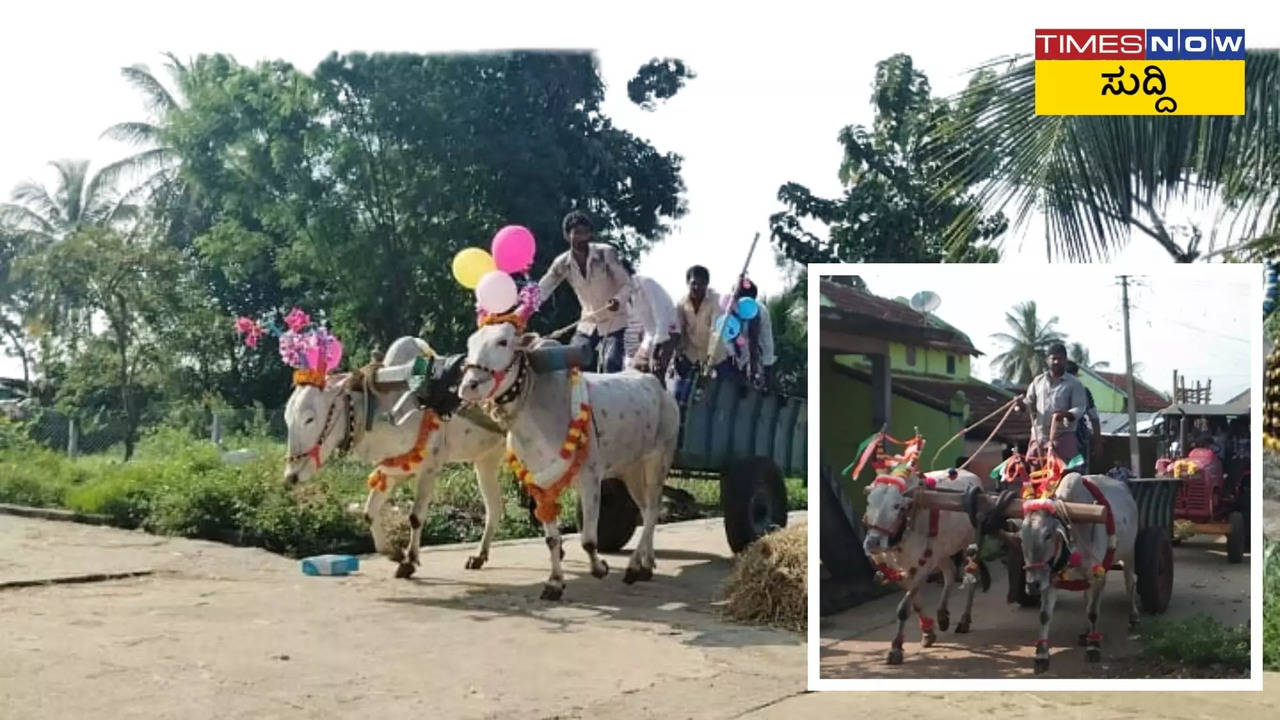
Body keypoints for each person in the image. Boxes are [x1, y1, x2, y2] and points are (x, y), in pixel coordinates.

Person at [538, 211, 633, 373]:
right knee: (573, 363)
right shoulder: (562, 263)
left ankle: (612, 398)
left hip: (614, 321)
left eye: (586, 232)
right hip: (588, 322)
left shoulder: (606, 253)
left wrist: (618, 300)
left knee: (610, 364)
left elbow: (627, 284)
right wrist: (522, 309)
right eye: (577, 233)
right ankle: (578, 398)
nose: (582, 238)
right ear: (568, 236)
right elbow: (543, 289)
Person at [1015, 343, 1089, 471]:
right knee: (1035, 475)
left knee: (1066, 476)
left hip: (1062, 437)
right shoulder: (1038, 381)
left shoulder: (1074, 384)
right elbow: (1029, 404)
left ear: (1065, 360)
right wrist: (1021, 405)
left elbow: (1079, 407)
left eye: (1060, 359)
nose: (1056, 362)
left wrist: (1065, 414)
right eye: (1053, 358)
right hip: (1039, 437)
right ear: (1047, 360)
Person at [674, 265, 727, 403]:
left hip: (716, 357)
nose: (697, 287)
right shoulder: (681, 304)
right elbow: (680, 330)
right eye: (694, 283)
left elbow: (717, 332)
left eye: (702, 284)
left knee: (717, 398)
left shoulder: (716, 301)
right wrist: (678, 353)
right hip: (691, 355)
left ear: (707, 284)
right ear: (688, 283)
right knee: (680, 395)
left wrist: (709, 365)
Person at [624, 268, 681, 384]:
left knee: (656, 372)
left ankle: (665, 401)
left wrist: (655, 354)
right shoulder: (622, 293)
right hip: (650, 334)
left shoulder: (646, 283)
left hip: (668, 331)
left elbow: (661, 318)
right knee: (635, 370)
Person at [726, 278, 776, 391]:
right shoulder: (725, 308)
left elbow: (766, 342)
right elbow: (723, 338)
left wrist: (767, 371)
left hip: (751, 355)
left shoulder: (761, 312)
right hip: (725, 355)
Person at [1064, 361, 1103, 472]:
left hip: (1078, 441)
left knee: (1077, 474)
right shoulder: (1051, 391)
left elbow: (1094, 417)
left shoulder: (1083, 391)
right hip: (1058, 441)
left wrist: (1098, 442)